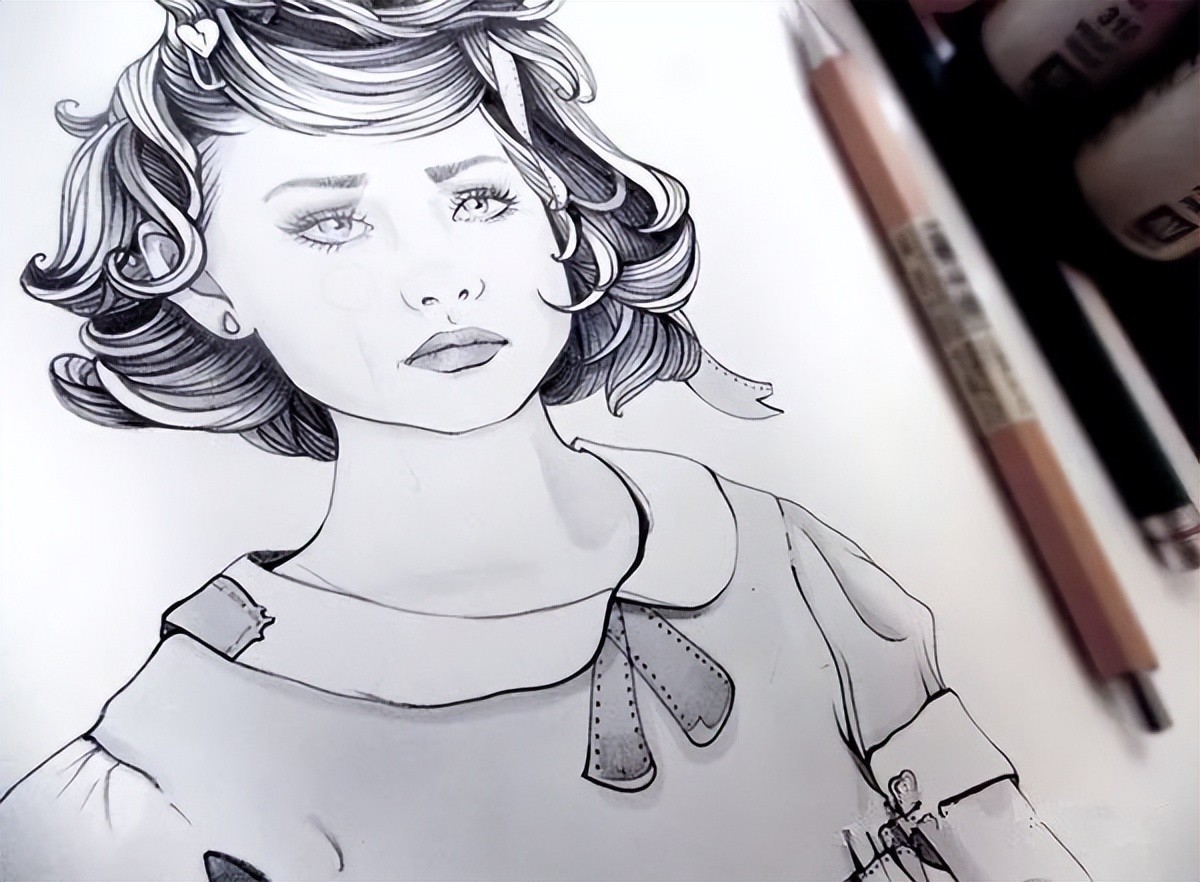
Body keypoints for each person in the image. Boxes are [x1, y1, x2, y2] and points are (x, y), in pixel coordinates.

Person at [0, 1, 1088, 879]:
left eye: (477, 200)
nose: (438, 276)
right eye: (332, 222)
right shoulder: (187, 750)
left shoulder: (766, 548)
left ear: (559, 224)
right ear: (203, 286)